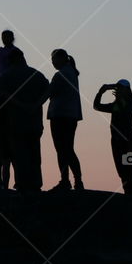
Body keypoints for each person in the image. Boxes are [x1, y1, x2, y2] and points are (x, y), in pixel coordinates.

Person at [0, 48, 50, 192]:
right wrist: (36, 104)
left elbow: (2, 95)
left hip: (16, 122)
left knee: (19, 155)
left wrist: (20, 105)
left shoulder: (6, 76)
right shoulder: (36, 74)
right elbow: (48, 90)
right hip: (35, 122)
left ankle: (22, 184)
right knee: (34, 154)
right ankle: (36, 184)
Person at [93, 79, 132, 196]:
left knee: (126, 170)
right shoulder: (129, 103)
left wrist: (103, 92)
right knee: (125, 170)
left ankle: (130, 195)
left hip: (123, 142)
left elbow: (98, 106)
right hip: (123, 141)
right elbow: (97, 106)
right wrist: (104, 91)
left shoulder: (127, 104)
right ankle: (130, 194)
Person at [47, 49, 84, 191]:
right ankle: (76, 180)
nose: (52, 62)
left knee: (63, 149)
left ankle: (67, 180)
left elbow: (49, 92)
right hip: (71, 116)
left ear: (61, 59)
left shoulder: (61, 75)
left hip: (60, 115)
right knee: (67, 148)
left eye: (54, 59)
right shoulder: (72, 73)